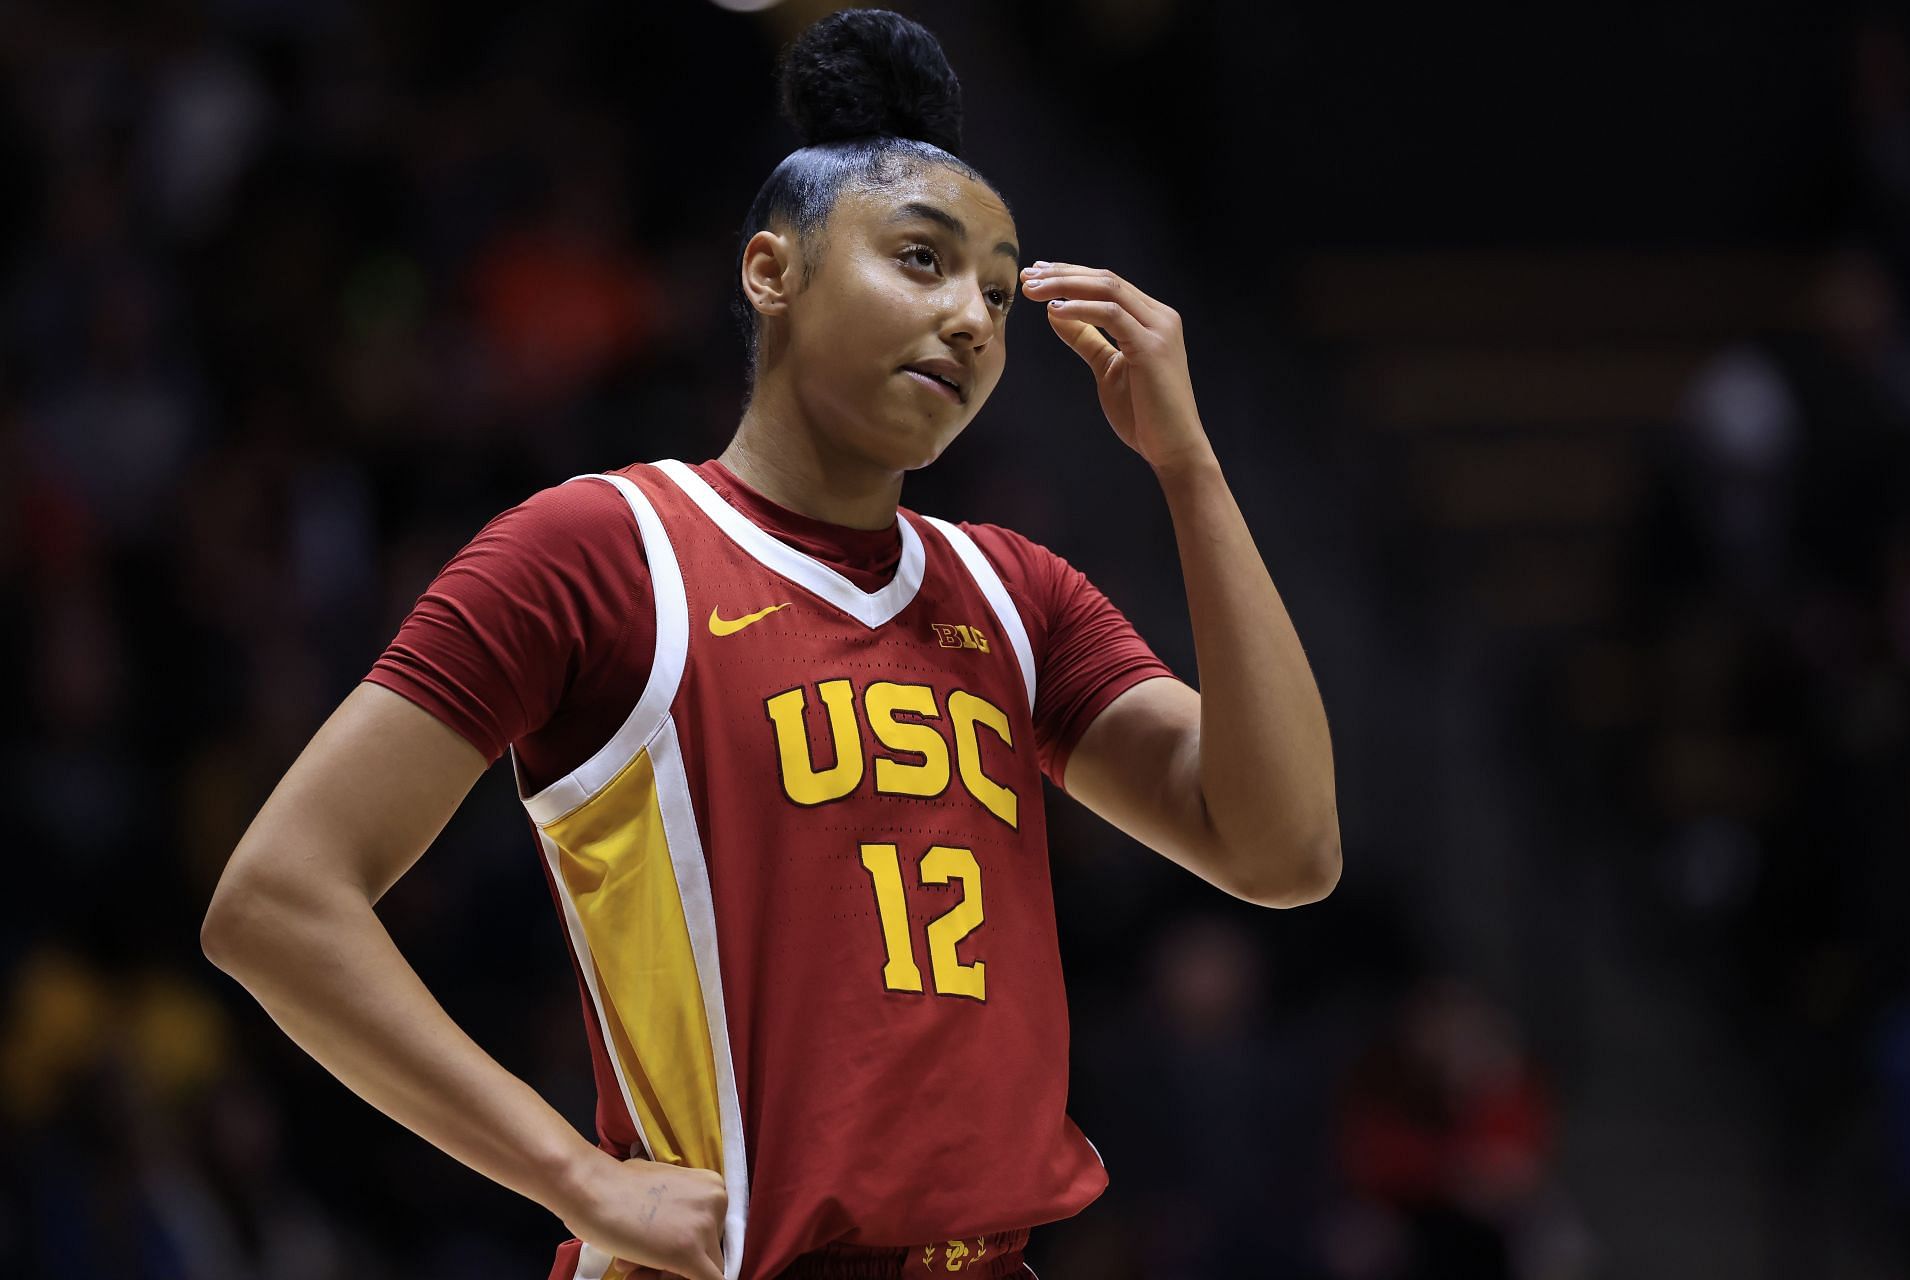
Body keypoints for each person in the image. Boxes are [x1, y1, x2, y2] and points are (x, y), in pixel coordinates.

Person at [199, 10, 1341, 1280]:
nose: (971, 316)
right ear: (770, 271)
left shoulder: (1019, 594)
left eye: (1001, 293)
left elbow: (1282, 849)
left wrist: (1191, 471)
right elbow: (277, 899)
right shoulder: (602, 548)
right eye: (922, 259)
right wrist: (576, 1176)